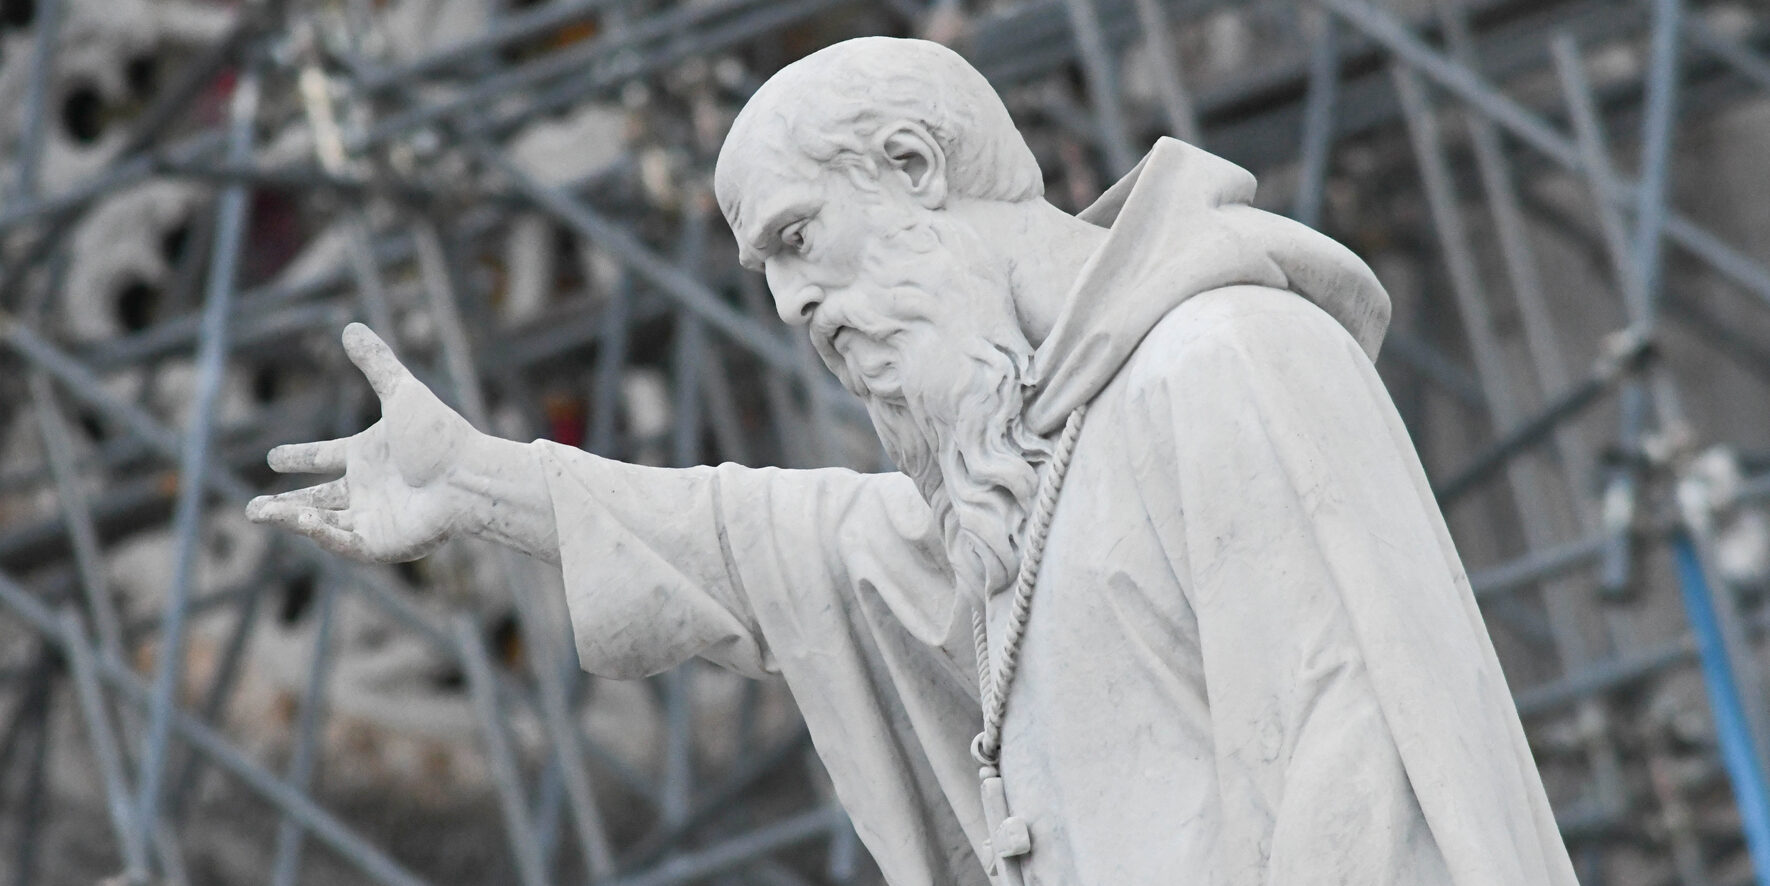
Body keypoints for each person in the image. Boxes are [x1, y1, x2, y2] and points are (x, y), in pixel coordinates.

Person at [248, 36, 1577, 886]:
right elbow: (793, 548)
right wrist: (483, 482)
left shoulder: (1219, 357)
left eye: (795, 238)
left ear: (912, 166)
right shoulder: (1032, 477)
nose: (789, 307)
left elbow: (1358, 767)